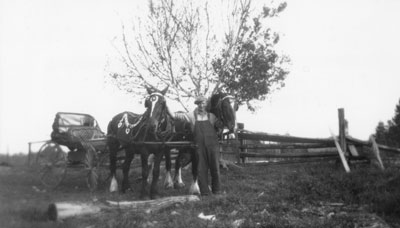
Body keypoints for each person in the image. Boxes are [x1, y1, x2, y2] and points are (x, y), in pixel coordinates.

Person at [187, 95, 221, 196]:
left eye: (203, 103)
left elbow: (220, 124)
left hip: (213, 146)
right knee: (201, 169)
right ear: (197, 105)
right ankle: (205, 192)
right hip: (199, 146)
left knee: (215, 168)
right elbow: (177, 116)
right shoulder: (192, 116)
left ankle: (217, 190)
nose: (201, 105)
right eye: (199, 104)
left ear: (206, 104)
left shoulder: (212, 116)